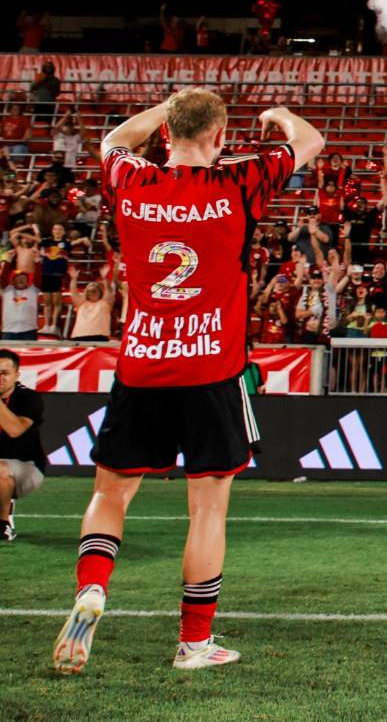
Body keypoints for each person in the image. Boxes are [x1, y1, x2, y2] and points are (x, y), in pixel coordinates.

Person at [50, 89, 323, 675]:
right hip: (212, 371)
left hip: (143, 365)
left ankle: (92, 588)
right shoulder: (238, 181)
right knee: (207, 511)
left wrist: (164, 110)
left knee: (110, 493)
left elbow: (114, 142)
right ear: (221, 137)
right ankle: (194, 642)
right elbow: (310, 143)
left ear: (166, 137)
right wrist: (278, 117)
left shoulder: (133, 180)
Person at [0, 347, 47, 542]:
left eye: (4, 373)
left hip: (26, 468)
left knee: (0, 470)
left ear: (16, 375)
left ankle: (3, 524)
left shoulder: (30, 398)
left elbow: (15, 429)